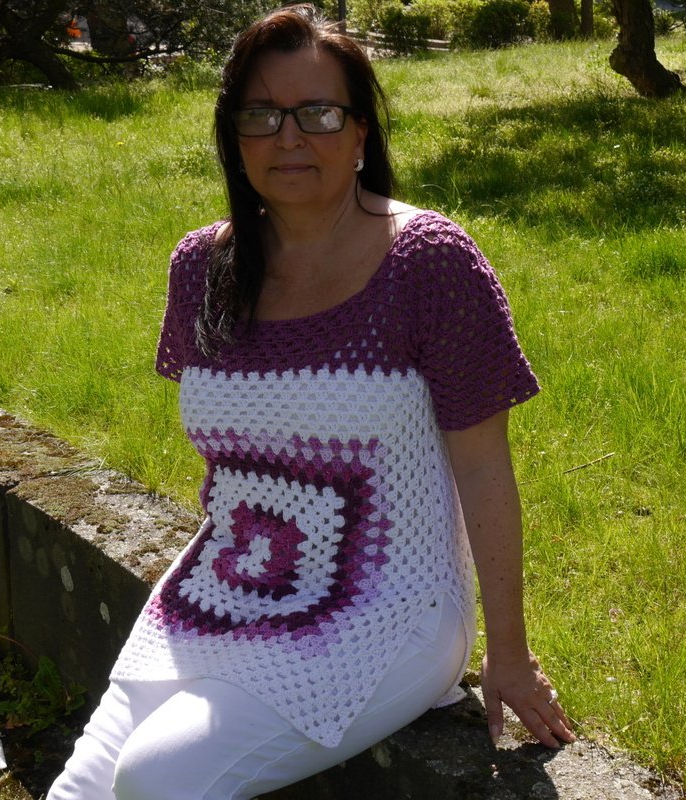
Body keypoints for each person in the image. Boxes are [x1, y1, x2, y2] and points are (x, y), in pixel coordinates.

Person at [47, 5, 573, 799]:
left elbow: (481, 465)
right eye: (260, 114)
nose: (288, 137)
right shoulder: (202, 267)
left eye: (318, 113)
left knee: (156, 781)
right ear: (234, 134)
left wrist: (509, 653)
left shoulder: (427, 260)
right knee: (82, 790)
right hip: (218, 595)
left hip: (387, 612)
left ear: (360, 131)